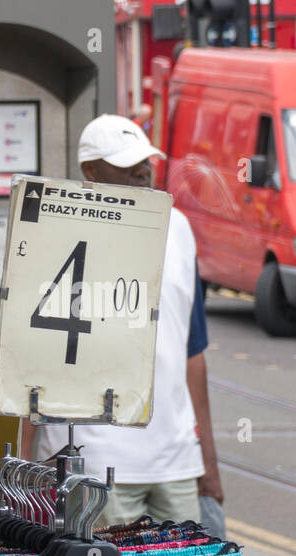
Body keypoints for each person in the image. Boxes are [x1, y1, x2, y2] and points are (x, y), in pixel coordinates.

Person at [22, 114, 223, 527]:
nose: (142, 170)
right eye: (126, 163)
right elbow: (29, 356)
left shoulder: (178, 228)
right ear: (90, 172)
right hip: (95, 465)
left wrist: (208, 463)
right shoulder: (58, 232)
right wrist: (22, 464)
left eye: (145, 160)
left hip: (175, 462)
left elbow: (192, 352)